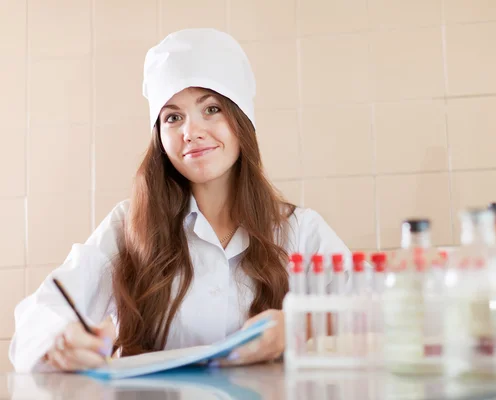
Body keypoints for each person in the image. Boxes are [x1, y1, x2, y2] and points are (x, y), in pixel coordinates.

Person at [9, 28, 352, 373]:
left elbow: (372, 313)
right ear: (159, 135)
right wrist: (62, 340)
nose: (192, 131)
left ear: (242, 120)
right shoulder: (128, 226)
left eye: (212, 109)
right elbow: (34, 327)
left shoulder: (299, 230)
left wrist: (299, 325)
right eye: (173, 117)